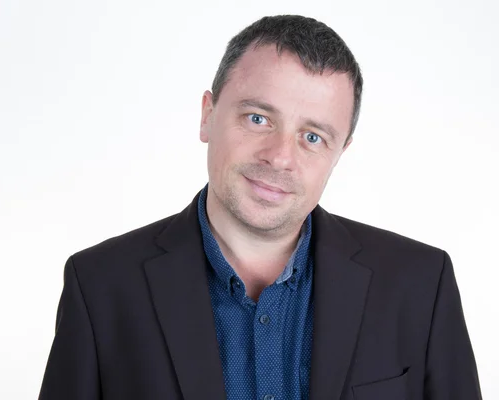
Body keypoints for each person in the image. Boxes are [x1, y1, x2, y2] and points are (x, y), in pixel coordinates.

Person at [38, 15, 482, 400]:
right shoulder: (99, 286)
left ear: (340, 152)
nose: (280, 157)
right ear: (207, 114)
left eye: (313, 137)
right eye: (258, 118)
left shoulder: (422, 284)